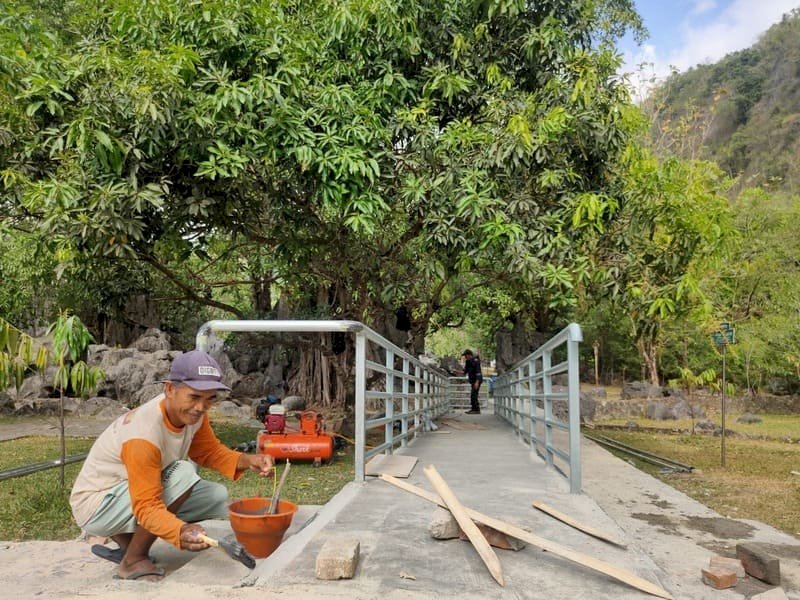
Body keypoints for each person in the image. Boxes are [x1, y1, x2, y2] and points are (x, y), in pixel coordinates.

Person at [69, 350, 274, 581]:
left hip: (124, 493)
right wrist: (180, 531)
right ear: (169, 389)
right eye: (194, 397)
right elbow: (147, 505)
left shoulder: (192, 415)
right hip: (95, 505)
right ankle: (133, 560)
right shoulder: (143, 434)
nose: (201, 407)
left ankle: (128, 543)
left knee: (215, 495)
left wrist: (249, 460)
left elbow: (208, 451)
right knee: (183, 474)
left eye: (210, 399)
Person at [461, 349, 483, 414]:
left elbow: (478, 372)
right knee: (473, 395)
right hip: (472, 380)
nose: (465, 357)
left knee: (474, 395)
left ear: (469, 355)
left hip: (477, 380)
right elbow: (464, 372)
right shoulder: (468, 362)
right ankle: (474, 409)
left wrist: (477, 382)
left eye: (466, 355)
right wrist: (455, 371)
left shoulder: (476, 361)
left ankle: (476, 410)